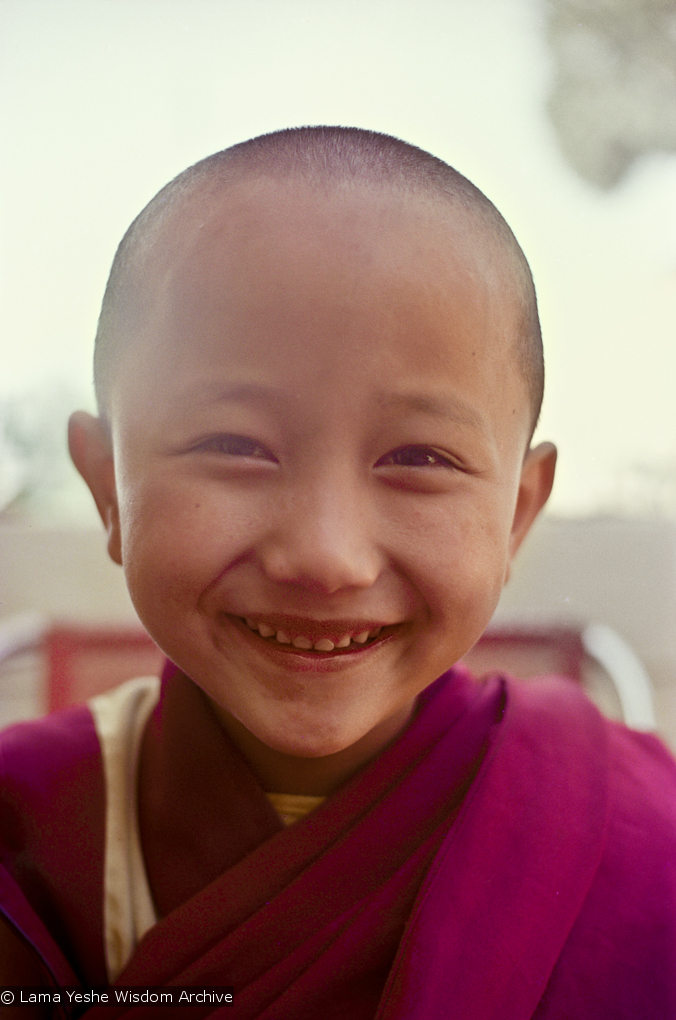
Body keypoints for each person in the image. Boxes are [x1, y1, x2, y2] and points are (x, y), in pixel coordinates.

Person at [1, 126, 675, 1018]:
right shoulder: (23, 829)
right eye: (233, 444)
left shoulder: (636, 846)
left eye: (420, 457)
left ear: (517, 513)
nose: (325, 557)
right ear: (105, 486)